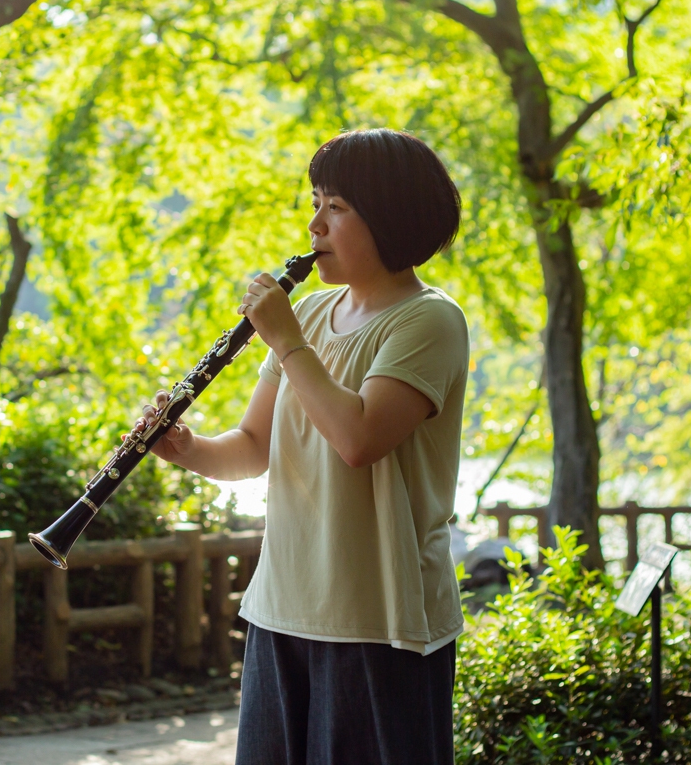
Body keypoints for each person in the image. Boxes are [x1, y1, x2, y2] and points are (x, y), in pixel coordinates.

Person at [132, 129, 468, 764]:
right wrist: (186, 447)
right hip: (281, 606)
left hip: (380, 622)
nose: (314, 224)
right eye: (316, 201)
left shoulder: (429, 321)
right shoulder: (309, 314)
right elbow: (254, 446)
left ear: (391, 215)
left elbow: (359, 438)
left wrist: (285, 341)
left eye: (336, 207)